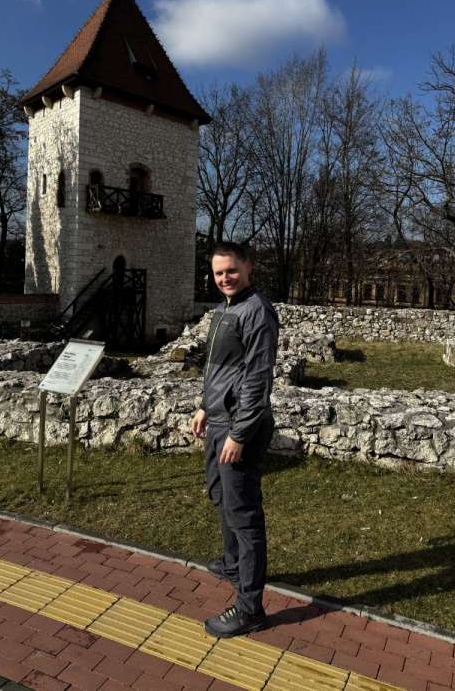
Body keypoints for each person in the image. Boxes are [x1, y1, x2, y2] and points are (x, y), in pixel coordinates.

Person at [189, 241, 280, 638]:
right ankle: (232, 563)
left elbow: (257, 378)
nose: (225, 278)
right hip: (219, 419)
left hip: (240, 426)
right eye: (218, 273)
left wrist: (239, 434)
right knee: (219, 495)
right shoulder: (225, 309)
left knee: (243, 513)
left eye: (231, 270)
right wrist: (205, 407)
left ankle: (249, 607)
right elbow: (222, 369)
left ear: (248, 267)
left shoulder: (256, 310)